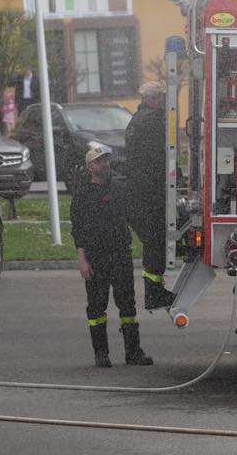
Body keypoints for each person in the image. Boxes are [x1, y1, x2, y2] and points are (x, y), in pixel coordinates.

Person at [70, 143, 153, 368]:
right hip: (96, 258)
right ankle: (101, 353)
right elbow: (78, 230)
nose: (104, 164)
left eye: (106, 160)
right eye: (99, 161)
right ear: (90, 167)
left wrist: (149, 239)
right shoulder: (82, 195)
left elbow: (132, 218)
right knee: (96, 308)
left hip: (120, 256)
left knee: (128, 305)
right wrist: (83, 261)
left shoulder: (119, 189)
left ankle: (133, 352)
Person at [124, 81, 175, 310]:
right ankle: (154, 294)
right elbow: (163, 155)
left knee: (153, 243)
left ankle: (154, 290)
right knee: (155, 243)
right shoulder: (154, 121)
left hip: (139, 193)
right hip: (150, 194)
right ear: (153, 99)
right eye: (163, 98)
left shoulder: (137, 120)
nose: (166, 103)